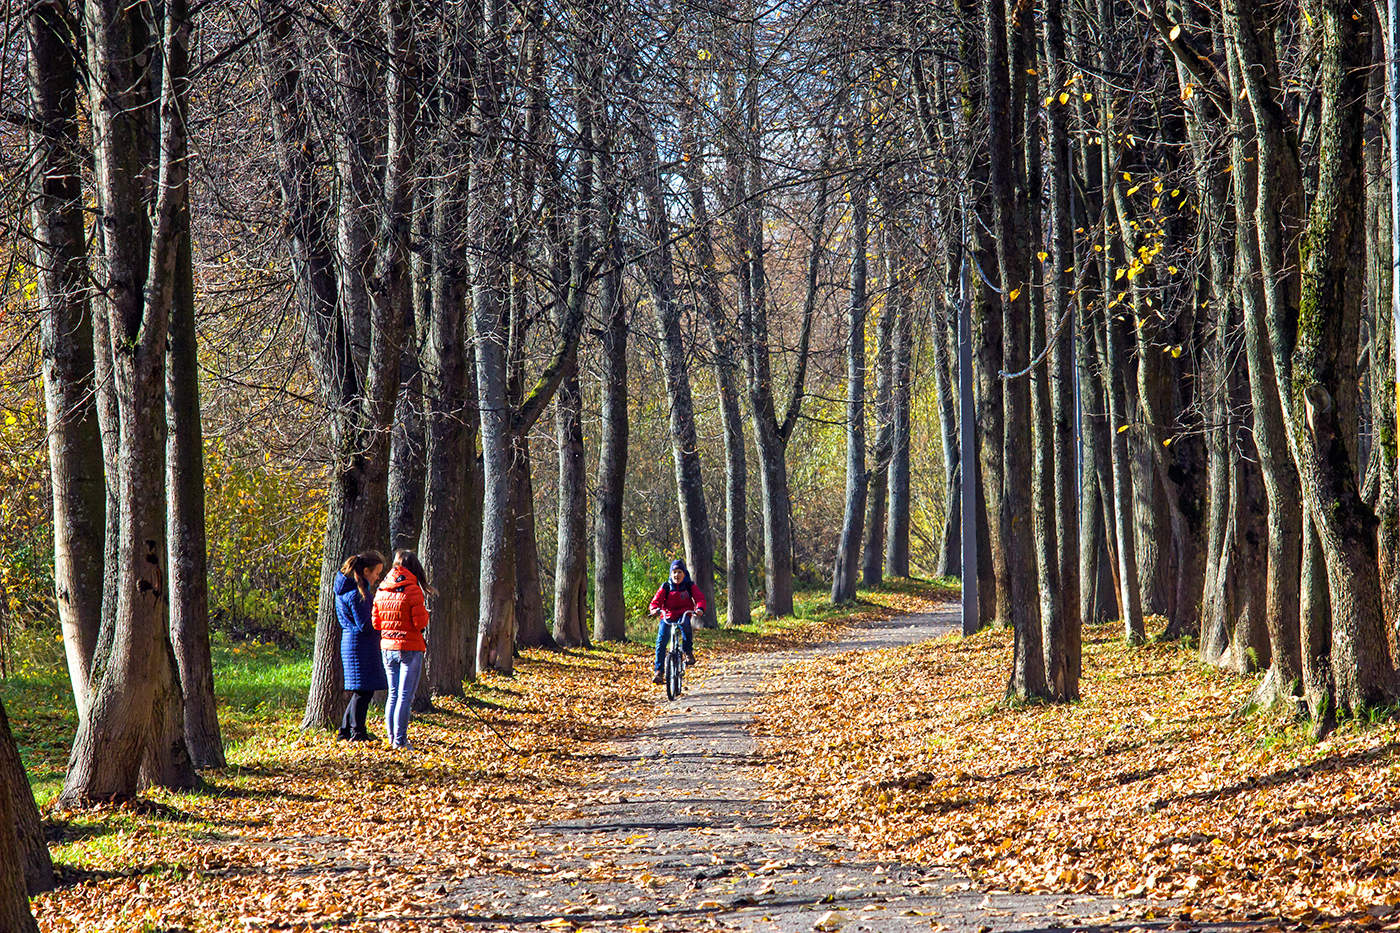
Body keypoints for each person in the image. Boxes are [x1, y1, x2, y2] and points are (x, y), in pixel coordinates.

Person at [373, 549, 431, 749]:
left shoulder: (382, 589)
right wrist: (426, 614)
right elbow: (420, 623)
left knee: (393, 694)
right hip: (409, 648)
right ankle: (400, 741)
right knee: (406, 696)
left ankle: (391, 737)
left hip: (387, 647)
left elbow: (375, 622)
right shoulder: (413, 590)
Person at [335, 550, 387, 741]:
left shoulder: (350, 590)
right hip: (359, 645)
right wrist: (382, 622)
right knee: (364, 691)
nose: (377, 577)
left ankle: (346, 730)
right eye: (376, 573)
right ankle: (357, 731)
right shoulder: (356, 594)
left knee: (361, 690)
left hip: (356, 644)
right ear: (366, 571)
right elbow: (365, 623)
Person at [649, 558, 705, 685]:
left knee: (686, 626)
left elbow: (699, 598)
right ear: (671, 574)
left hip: (684, 614)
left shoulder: (689, 586)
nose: (677, 575)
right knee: (661, 642)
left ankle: (688, 652)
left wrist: (700, 608)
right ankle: (659, 672)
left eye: (679, 572)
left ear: (684, 574)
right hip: (667, 615)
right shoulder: (666, 586)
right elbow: (655, 601)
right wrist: (654, 609)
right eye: (674, 572)